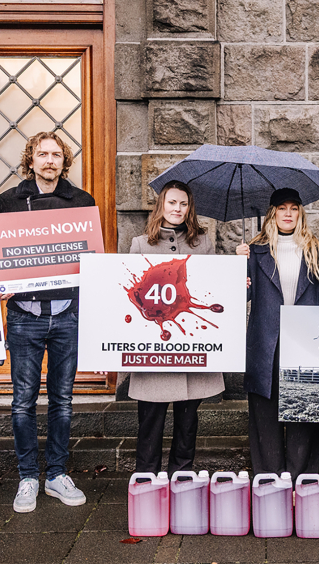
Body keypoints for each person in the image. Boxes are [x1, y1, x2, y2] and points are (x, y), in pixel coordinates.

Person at [0, 131, 95, 513]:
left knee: (63, 400)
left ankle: (56, 474)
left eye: (56, 154)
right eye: (42, 154)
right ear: (30, 160)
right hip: (24, 316)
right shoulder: (8, 203)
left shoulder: (82, 202)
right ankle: (27, 478)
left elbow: (90, 257)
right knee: (22, 402)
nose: (49, 160)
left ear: (63, 161)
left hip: (67, 313)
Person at [127, 181, 224, 475]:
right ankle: (146, 482)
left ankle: (182, 481)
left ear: (189, 208)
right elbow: (130, 296)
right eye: (172, 203)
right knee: (150, 424)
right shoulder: (140, 244)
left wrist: (238, 275)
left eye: (183, 204)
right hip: (154, 351)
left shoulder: (203, 243)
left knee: (187, 424)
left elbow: (214, 290)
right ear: (162, 206)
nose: (177, 209)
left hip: (190, 349)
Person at [236, 188, 319, 479]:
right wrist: (239, 263)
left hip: (305, 342)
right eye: (282, 208)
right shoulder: (257, 249)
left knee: (304, 410)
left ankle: (302, 479)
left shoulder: (315, 249)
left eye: (293, 208)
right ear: (272, 214)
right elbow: (241, 294)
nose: (288, 214)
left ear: (300, 213)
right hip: (267, 343)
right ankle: (268, 479)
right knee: (265, 414)